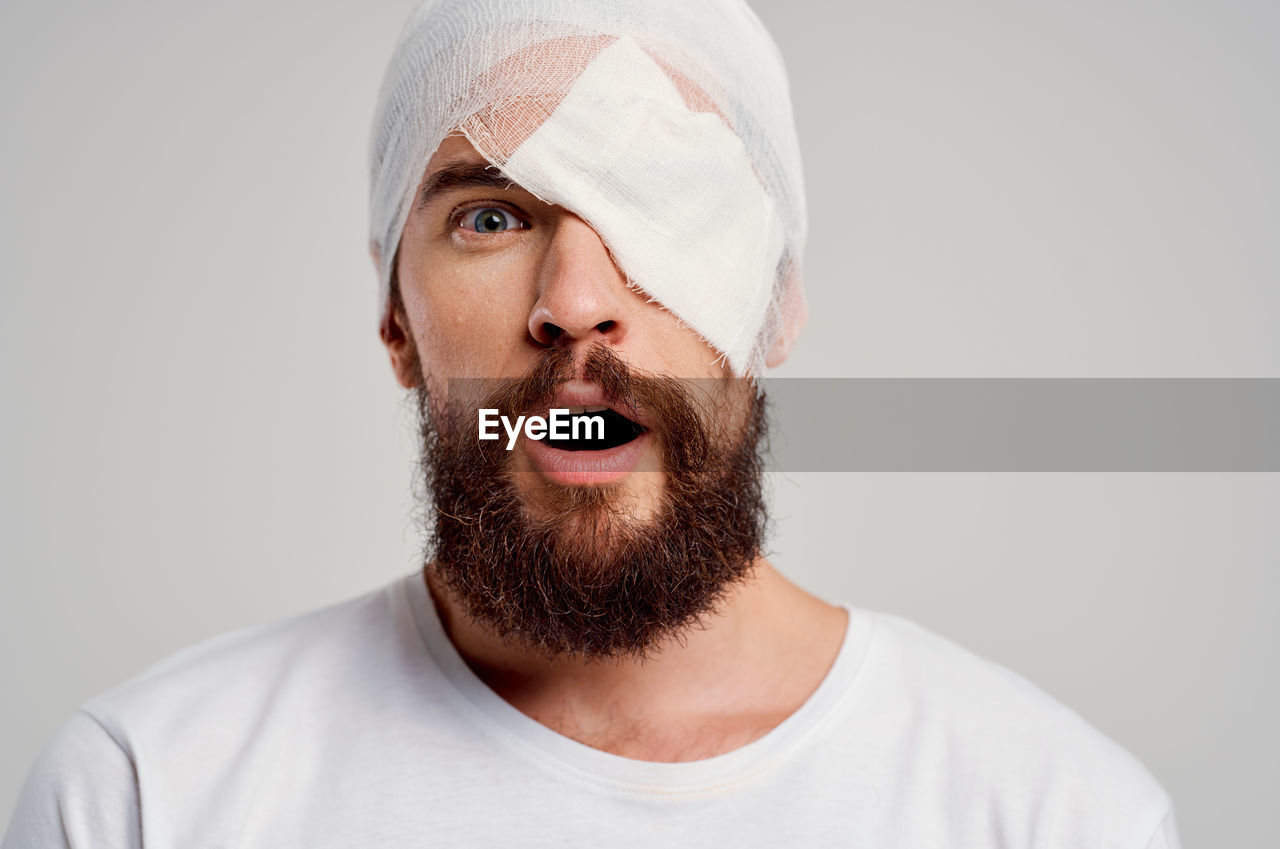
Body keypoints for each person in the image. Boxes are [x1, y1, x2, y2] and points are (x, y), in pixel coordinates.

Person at [3, 1, 1181, 846]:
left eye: (661, 202)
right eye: (490, 218)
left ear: (770, 307)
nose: (575, 306)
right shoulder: (146, 797)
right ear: (395, 321)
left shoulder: (1055, 814)